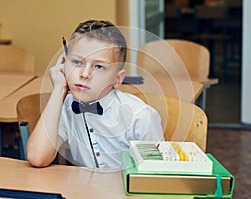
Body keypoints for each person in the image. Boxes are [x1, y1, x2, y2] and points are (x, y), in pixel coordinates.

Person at [27, 20, 164, 169]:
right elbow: (37, 157)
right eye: (77, 62)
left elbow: (155, 174)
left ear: (118, 78)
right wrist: (58, 89)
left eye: (99, 66)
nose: (85, 74)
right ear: (63, 64)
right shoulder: (65, 107)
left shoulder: (141, 117)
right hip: (83, 189)